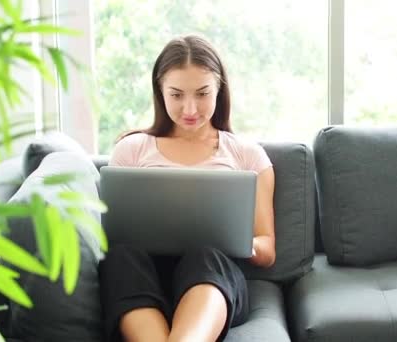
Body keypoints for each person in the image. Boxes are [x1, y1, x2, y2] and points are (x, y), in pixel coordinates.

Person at [98, 34, 276, 342]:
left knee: (205, 255)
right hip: (143, 280)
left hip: (213, 280)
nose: (190, 108)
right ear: (160, 91)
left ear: (220, 90)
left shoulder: (247, 154)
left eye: (202, 93)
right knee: (122, 257)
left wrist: (235, 240)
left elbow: (267, 249)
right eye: (177, 95)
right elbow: (112, 233)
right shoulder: (131, 150)